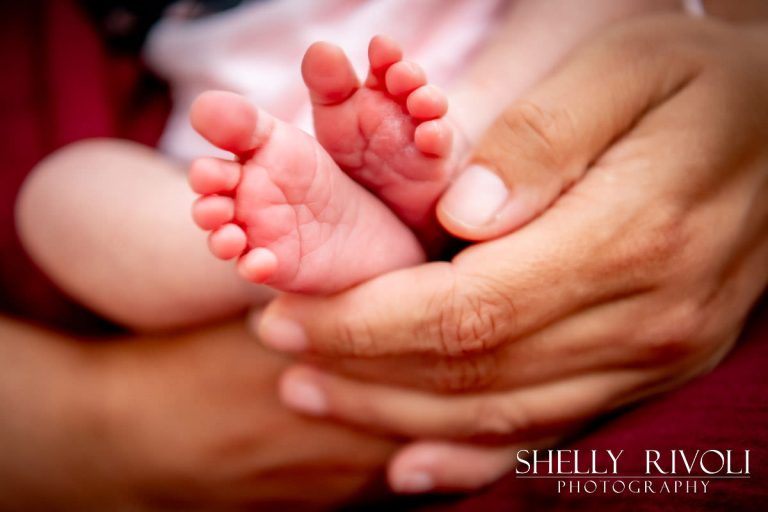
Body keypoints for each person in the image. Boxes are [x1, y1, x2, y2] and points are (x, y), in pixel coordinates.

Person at [6, 1, 767, 510]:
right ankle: (274, 249)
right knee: (60, 196)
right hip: (259, 154)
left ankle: (453, 157)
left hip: (492, 98)